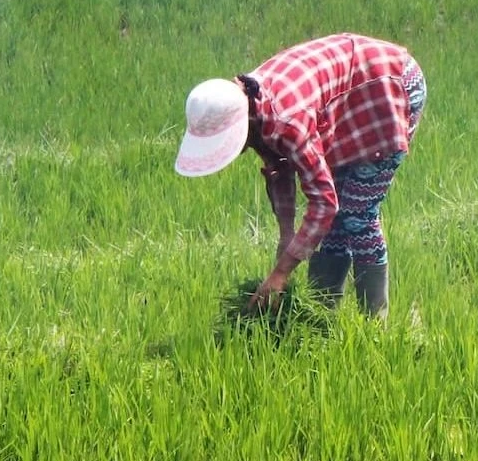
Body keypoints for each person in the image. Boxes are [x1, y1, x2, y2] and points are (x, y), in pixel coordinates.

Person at [174, 33, 426, 318]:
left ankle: (376, 325)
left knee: (357, 214)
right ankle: (321, 317)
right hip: (347, 98)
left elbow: (324, 203)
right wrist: (286, 235)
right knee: (334, 221)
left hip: (389, 87)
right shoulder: (252, 107)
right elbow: (279, 166)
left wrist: (281, 273)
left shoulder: (286, 121)